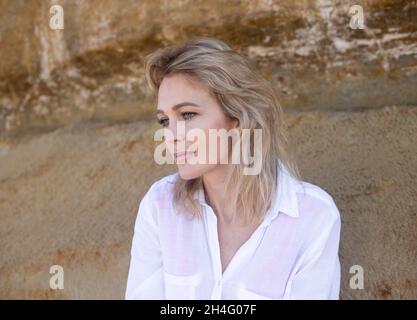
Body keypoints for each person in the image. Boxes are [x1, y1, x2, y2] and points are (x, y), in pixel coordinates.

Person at [125, 37, 341, 299]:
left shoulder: (313, 216)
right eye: (164, 120)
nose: (171, 135)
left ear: (237, 120)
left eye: (188, 115)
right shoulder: (160, 206)